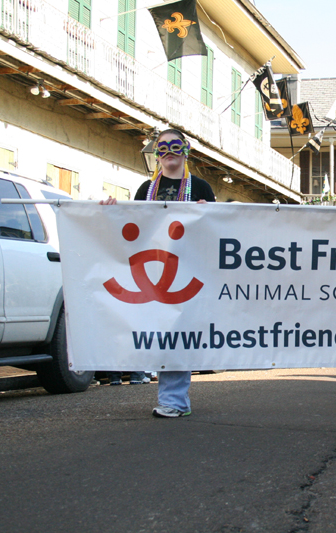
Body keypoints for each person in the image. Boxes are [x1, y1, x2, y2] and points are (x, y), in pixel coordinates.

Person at [100, 128, 215, 417]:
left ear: (186, 150)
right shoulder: (145, 190)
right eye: (162, 147)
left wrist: (207, 212)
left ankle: (173, 401)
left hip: (188, 271)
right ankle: (171, 398)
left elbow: (215, 231)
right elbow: (132, 227)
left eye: (175, 146)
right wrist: (110, 211)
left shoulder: (200, 187)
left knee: (178, 332)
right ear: (156, 154)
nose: (169, 152)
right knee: (160, 331)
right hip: (151, 269)